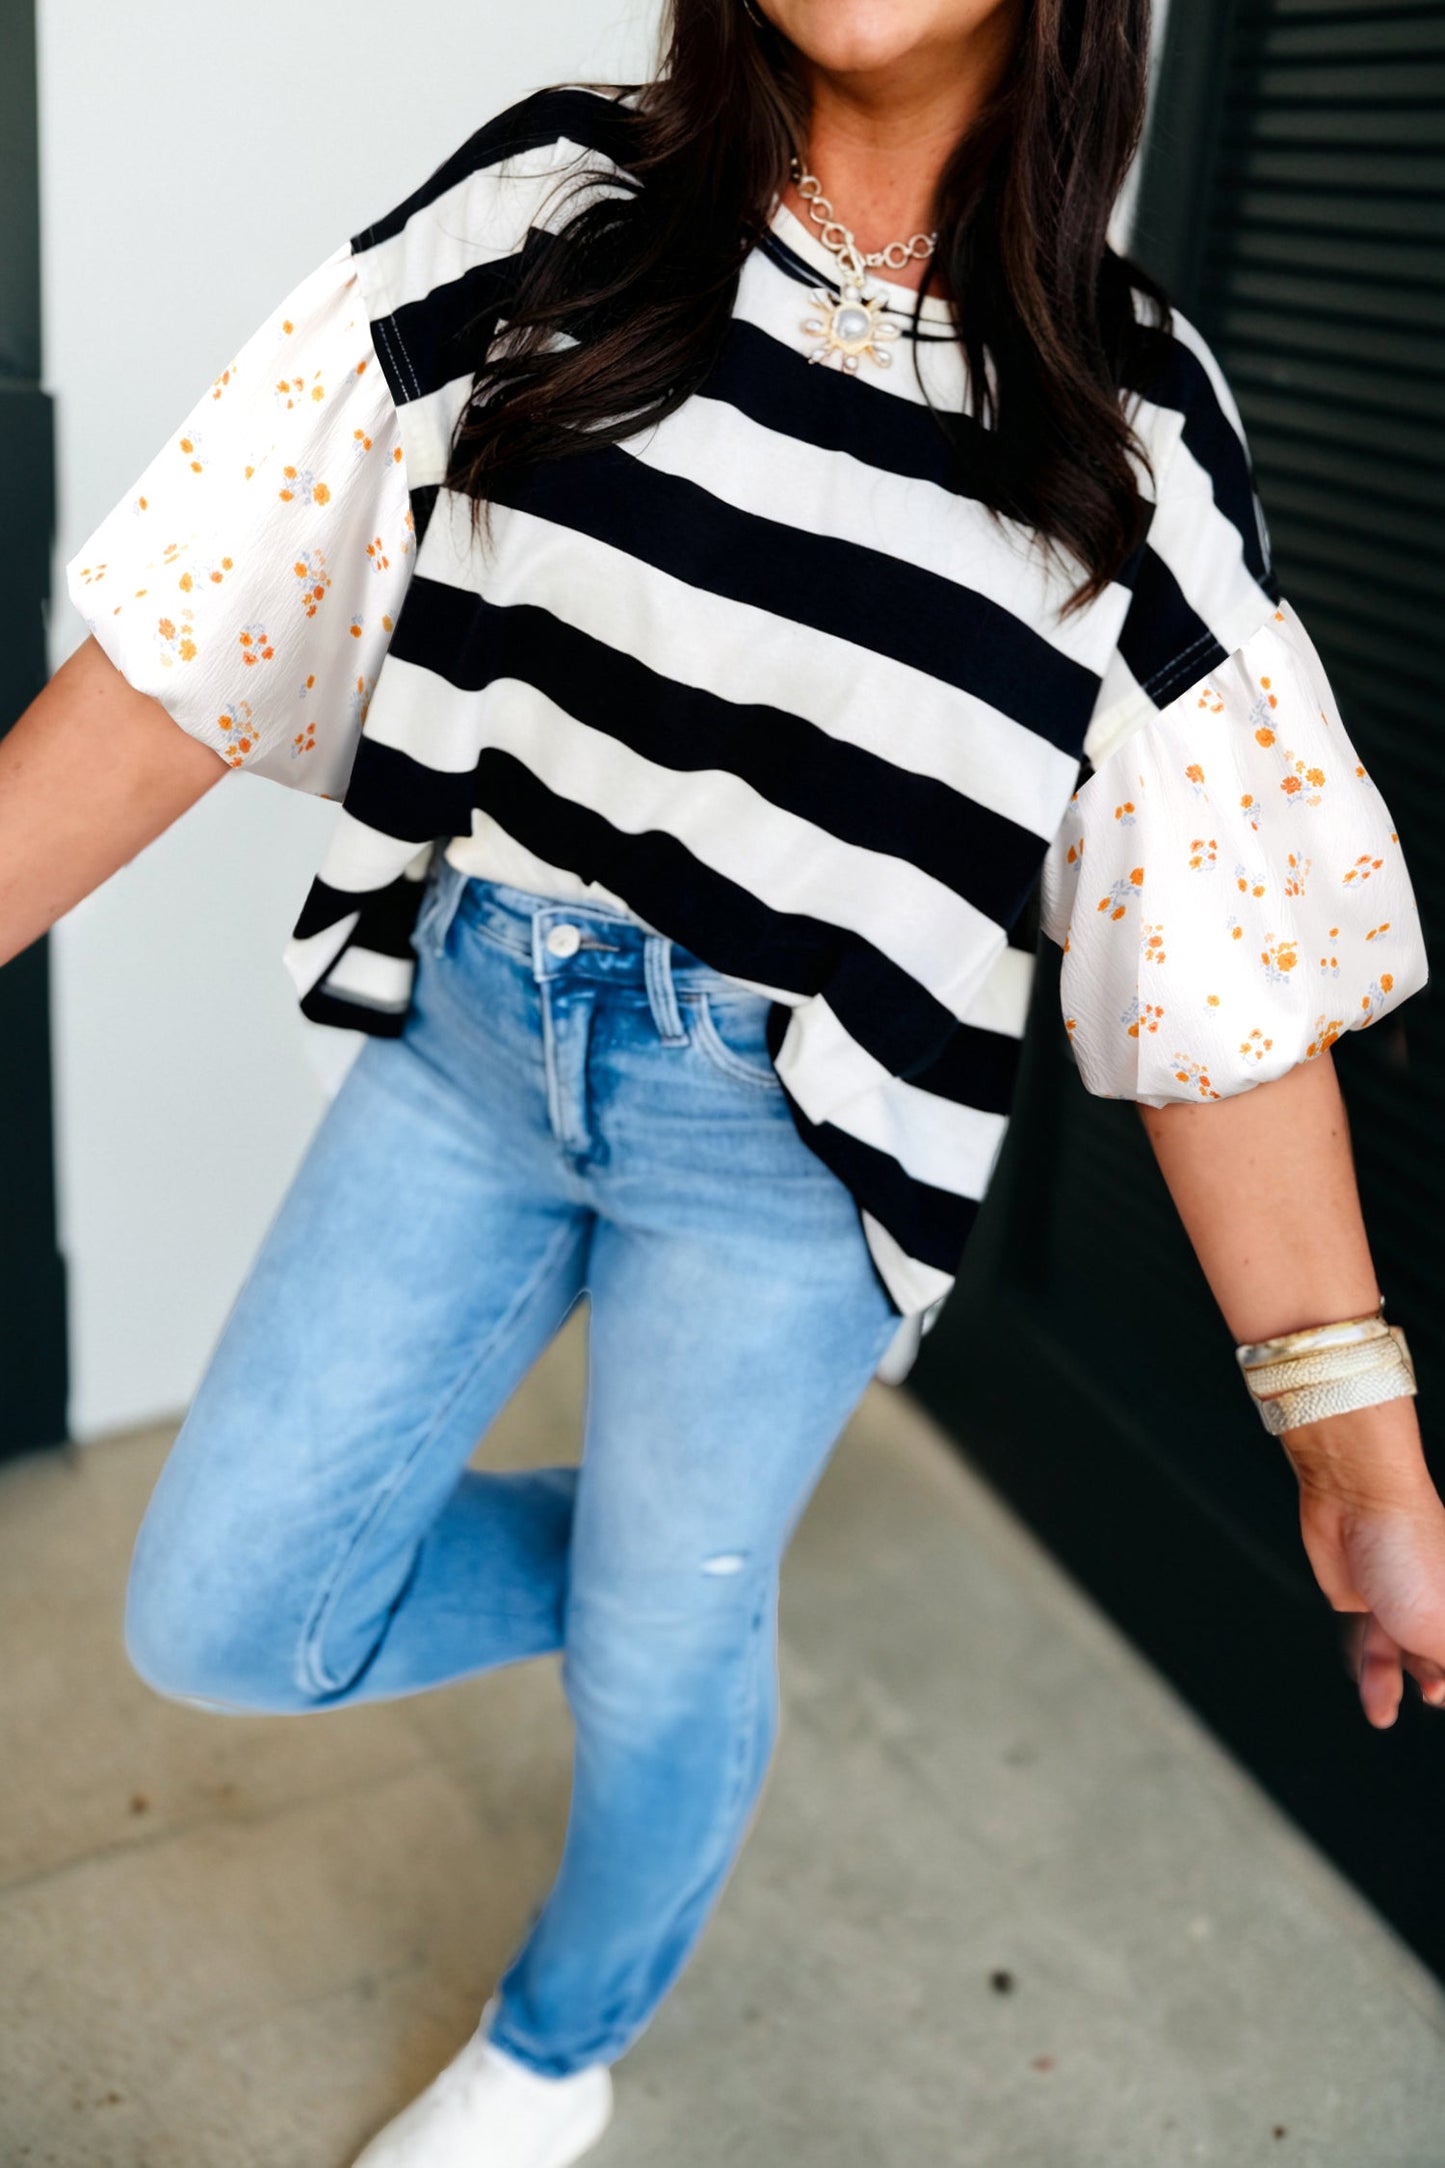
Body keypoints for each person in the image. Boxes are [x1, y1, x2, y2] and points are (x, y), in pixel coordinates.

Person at [6, 1, 1444, 2161]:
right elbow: (178, 651)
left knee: (655, 1678)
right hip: (479, 1025)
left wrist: (1353, 1431)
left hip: (796, 1136)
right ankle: (676, 1569)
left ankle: (560, 2041)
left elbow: (1224, 969)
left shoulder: (1132, 421)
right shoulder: (559, 204)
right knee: (227, 1610)